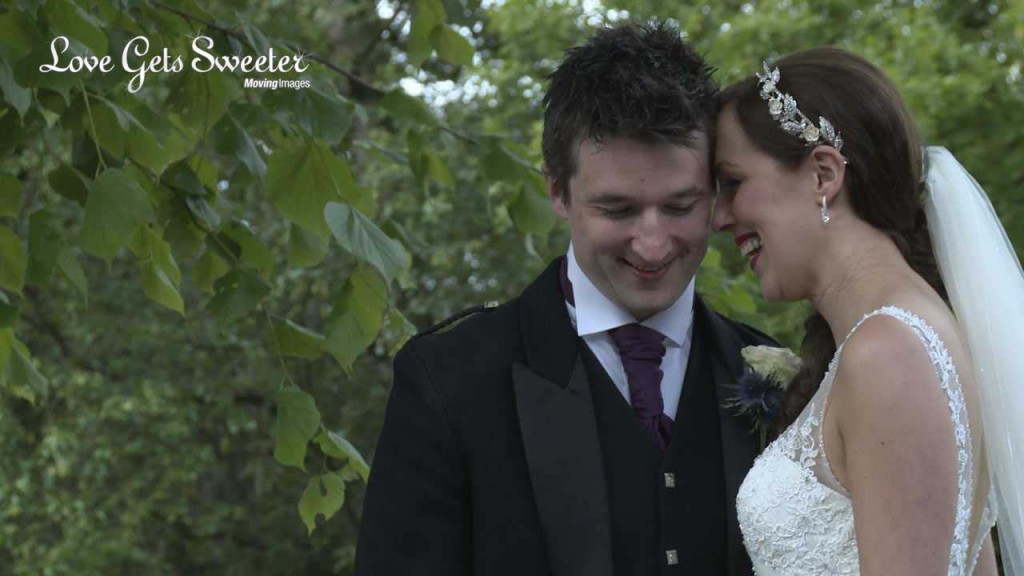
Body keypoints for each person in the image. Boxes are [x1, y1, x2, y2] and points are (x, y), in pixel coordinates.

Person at [355, 21, 777, 576]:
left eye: (680, 206)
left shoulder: (770, 376)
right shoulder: (447, 379)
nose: (652, 246)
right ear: (557, 189)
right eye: (617, 210)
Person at [711, 47, 1018, 575]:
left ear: (823, 174)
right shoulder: (917, 335)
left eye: (734, 183)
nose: (719, 216)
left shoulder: (888, 354)